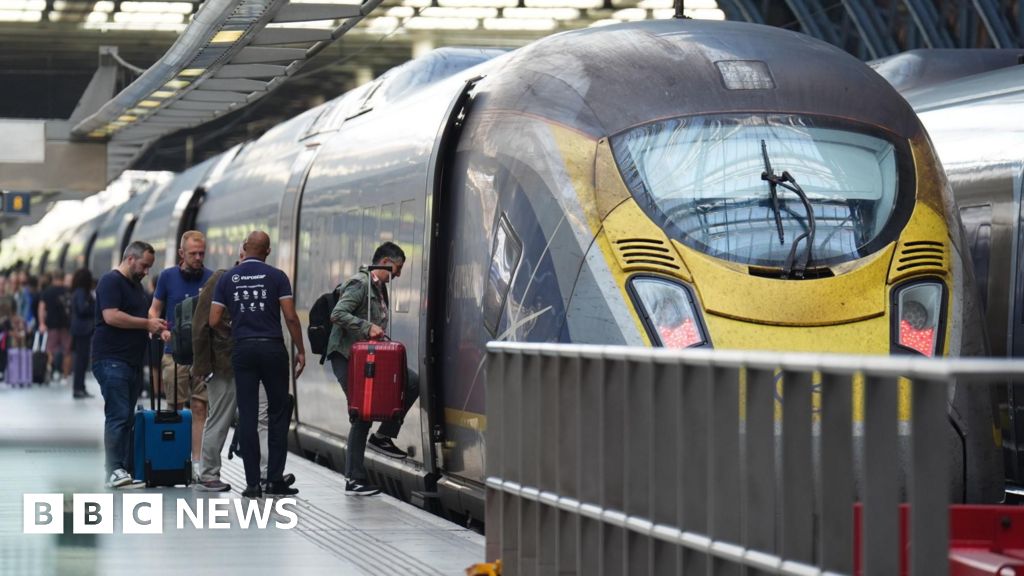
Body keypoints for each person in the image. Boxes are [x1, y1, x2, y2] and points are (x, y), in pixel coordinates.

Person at [210, 231, 305, 498]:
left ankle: (252, 484)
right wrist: (300, 350)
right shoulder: (277, 276)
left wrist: (233, 332)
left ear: (244, 248)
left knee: (249, 416)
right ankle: (273, 479)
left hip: (243, 350)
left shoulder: (229, 277)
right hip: (273, 348)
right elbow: (290, 317)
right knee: (277, 413)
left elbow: (214, 319)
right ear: (268, 251)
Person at [325, 241, 420, 496]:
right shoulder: (361, 283)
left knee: (411, 382)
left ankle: (383, 437)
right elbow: (338, 313)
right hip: (346, 357)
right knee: (361, 413)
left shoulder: (378, 288)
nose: (398, 275)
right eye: (397, 269)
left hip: (367, 358)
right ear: (386, 263)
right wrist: (367, 328)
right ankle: (353, 478)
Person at [93, 241, 166, 488]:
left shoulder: (136, 287)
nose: (147, 271)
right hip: (111, 360)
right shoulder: (110, 281)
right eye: (144, 265)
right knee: (119, 414)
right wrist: (146, 325)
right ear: (130, 258)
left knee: (125, 415)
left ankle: (121, 468)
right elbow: (110, 316)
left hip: (131, 362)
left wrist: (156, 328)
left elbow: (142, 317)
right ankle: (113, 470)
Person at [148, 231, 213, 475]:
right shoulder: (167, 277)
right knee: (175, 407)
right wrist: (160, 329)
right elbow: (154, 311)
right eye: (193, 253)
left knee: (200, 408)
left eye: (201, 253)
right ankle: (176, 457)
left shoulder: (211, 278)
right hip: (173, 354)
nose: (198, 258)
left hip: (203, 357)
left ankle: (196, 463)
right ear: (181, 254)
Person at [38, 269, 72, 383]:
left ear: (53, 278)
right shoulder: (68, 291)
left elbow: (42, 308)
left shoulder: (47, 291)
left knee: (49, 351)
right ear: (63, 278)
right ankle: (65, 377)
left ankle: (49, 373)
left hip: (51, 326)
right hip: (66, 326)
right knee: (67, 351)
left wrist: (42, 323)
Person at [69, 268, 95, 399]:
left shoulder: (78, 291)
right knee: (81, 360)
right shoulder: (81, 292)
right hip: (82, 329)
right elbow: (82, 309)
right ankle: (78, 388)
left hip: (80, 329)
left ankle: (80, 387)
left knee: (82, 359)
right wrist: (94, 307)